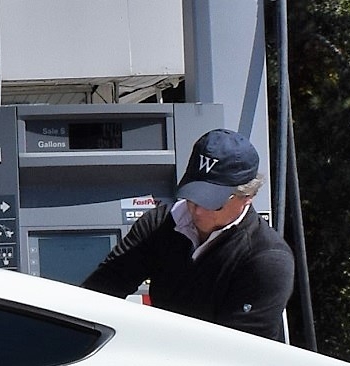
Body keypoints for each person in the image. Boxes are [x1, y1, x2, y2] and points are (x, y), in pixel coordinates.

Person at [78, 128, 295, 340]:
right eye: (192, 196)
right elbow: (98, 295)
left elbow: (242, 353)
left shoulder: (266, 258)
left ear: (248, 196)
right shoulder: (159, 224)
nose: (197, 210)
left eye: (213, 203)